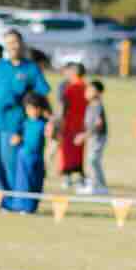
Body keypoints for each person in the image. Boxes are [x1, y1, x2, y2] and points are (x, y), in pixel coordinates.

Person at [0, 29, 48, 194]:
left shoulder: (31, 69)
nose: (13, 46)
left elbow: (42, 96)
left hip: (16, 123)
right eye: (9, 43)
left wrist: (50, 120)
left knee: (10, 162)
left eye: (15, 42)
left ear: (22, 44)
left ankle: (12, 198)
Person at [4, 90, 51, 214]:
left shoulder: (43, 124)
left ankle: (30, 207)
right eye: (29, 109)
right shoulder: (24, 123)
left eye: (35, 109)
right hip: (22, 156)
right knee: (21, 182)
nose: (32, 112)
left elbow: (52, 137)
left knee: (34, 182)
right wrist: (16, 140)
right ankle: (18, 205)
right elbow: (14, 139)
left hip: (36, 157)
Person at [57, 62, 90, 191]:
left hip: (69, 124)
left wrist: (59, 121)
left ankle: (67, 178)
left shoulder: (70, 88)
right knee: (79, 152)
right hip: (82, 125)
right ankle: (80, 178)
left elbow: (63, 106)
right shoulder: (87, 87)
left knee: (67, 152)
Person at [81, 78, 110, 196]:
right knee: (92, 161)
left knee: (93, 160)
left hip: (98, 137)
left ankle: (98, 186)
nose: (87, 92)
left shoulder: (97, 105)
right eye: (87, 89)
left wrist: (85, 135)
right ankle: (96, 184)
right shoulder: (91, 105)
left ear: (98, 93)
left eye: (91, 90)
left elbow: (98, 124)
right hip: (92, 137)